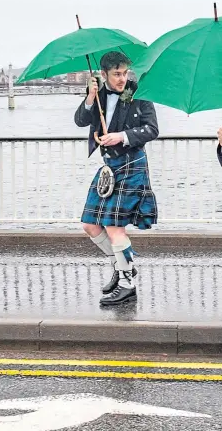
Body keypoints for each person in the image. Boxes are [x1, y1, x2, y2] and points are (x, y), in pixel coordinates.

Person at [75, 52, 159, 306]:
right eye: (117, 74)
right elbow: (80, 120)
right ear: (104, 75)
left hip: (132, 165)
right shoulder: (98, 96)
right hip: (110, 167)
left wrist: (121, 136)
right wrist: (90, 98)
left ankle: (127, 285)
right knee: (90, 225)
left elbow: (152, 129)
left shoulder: (140, 93)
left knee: (114, 227)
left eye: (125, 73)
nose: (123, 79)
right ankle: (123, 267)